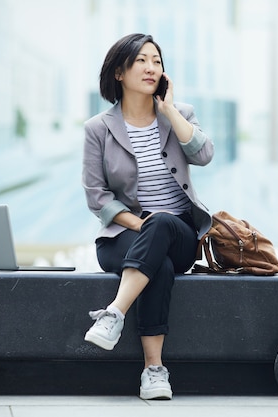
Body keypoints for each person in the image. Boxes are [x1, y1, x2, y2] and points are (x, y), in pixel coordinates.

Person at [81, 33, 214, 400]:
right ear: (119, 72)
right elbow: (97, 196)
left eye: (156, 60)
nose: (151, 67)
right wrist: (142, 224)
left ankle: (114, 313)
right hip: (121, 237)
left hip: (181, 235)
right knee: (160, 266)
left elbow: (203, 155)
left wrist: (169, 110)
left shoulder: (180, 114)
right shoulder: (98, 129)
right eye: (141, 60)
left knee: (164, 226)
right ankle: (154, 372)